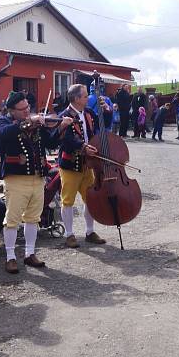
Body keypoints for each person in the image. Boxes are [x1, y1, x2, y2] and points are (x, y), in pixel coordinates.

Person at [0, 91, 70, 271]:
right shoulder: (2, 121)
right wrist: (28, 122)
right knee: (12, 219)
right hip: (16, 178)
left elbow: (50, 144)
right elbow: (3, 134)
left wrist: (60, 128)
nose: (27, 111)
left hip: (37, 177)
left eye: (28, 107)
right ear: (12, 111)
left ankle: (30, 253)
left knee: (33, 218)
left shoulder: (37, 123)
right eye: (22, 109)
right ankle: (10, 256)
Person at [57, 84, 107, 248]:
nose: (88, 98)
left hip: (88, 164)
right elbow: (66, 140)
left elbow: (101, 125)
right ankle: (69, 234)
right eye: (85, 96)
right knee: (68, 200)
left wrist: (106, 110)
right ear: (77, 98)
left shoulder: (89, 113)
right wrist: (83, 147)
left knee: (90, 199)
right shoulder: (64, 116)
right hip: (70, 164)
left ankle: (89, 231)